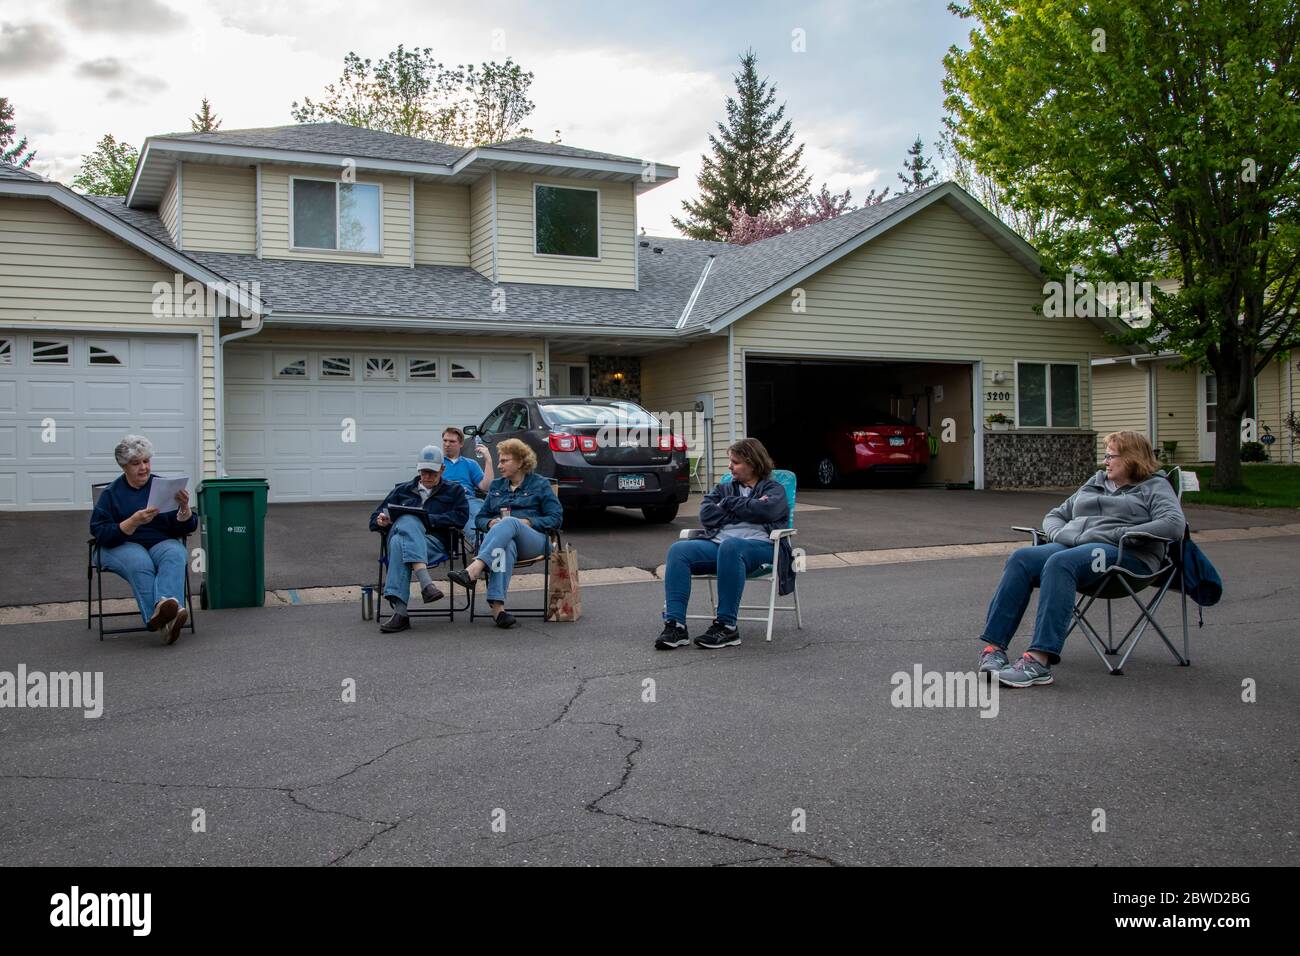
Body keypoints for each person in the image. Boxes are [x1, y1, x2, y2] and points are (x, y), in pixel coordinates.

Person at [978, 430, 1186, 687]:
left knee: (1061, 563)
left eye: (1111, 456)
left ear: (1132, 458)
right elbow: (1055, 515)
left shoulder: (1154, 486)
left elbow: (1174, 524)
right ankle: (994, 649)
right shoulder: (1095, 482)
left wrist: (1123, 534)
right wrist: (1059, 534)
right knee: (1022, 557)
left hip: (1125, 556)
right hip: (1074, 547)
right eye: (1105, 455)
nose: (1105, 461)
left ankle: (1038, 661)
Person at [656, 437, 793, 651]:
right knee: (679, 550)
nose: (730, 466)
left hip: (762, 549)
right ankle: (676, 626)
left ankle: (727, 627)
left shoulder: (774, 489)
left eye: (735, 462)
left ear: (753, 463)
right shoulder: (723, 488)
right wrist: (747, 508)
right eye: (730, 461)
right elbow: (707, 515)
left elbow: (766, 511)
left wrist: (728, 505)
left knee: (732, 546)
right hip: (721, 547)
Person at [89, 434, 197, 645]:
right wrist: (132, 522)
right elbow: (99, 531)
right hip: (119, 545)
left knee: (176, 553)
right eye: (135, 463)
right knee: (140, 561)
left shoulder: (163, 486)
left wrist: (184, 509)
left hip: (158, 542)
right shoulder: (111, 494)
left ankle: (165, 614)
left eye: (146, 461)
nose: (143, 468)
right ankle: (166, 618)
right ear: (124, 466)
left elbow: (185, 527)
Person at [446, 438, 563, 629]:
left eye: (504, 461)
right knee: (505, 545)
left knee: (510, 522)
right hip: (505, 541)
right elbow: (480, 518)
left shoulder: (540, 484)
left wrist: (528, 522)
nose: (499, 465)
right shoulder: (497, 486)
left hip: (535, 540)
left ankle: (474, 569)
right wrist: (491, 522)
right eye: (499, 461)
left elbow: (556, 518)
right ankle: (498, 610)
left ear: (520, 462)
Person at [369, 445, 468, 633]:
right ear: (418, 468)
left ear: (442, 469)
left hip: (435, 543)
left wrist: (426, 520)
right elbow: (374, 517)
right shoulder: (402, 490)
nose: (427, 476)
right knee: (406, 521)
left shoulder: (454, 491)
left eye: (432, 472)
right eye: (423, 471)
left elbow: (461, 518)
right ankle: (426, 584)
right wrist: (380, 520)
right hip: (415, 545)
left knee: (401, 539)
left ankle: (400, 614)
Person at [441, 427, 494, 548]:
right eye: (445, 440)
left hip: (469, 500)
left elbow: (485, 487)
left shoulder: (470, 464)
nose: (447, 444)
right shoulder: (437, 463)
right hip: (447, 502)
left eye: (452, 441)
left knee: (481, 515)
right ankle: (483, 546)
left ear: (461, 444)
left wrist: (488, 460)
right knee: (464, 517)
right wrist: (455, 489)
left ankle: (491, 544)